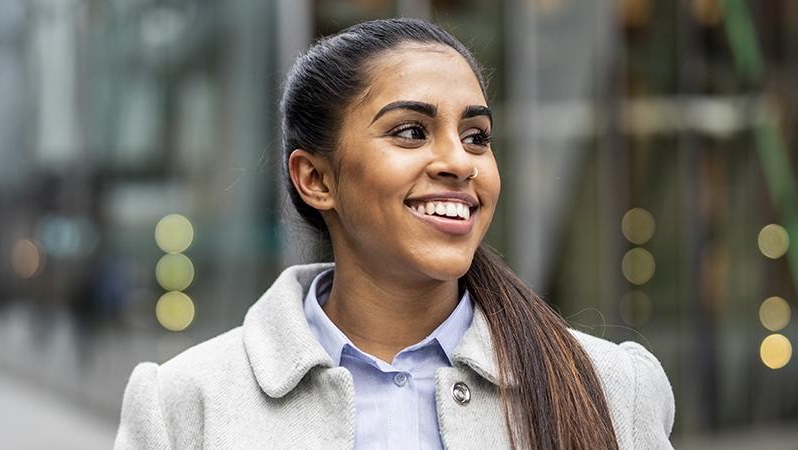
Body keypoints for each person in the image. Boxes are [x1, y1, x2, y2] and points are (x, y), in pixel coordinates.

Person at [115, 18, 674, 449]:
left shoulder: (608, 386)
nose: (460, 161)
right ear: (316, 179)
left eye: (477, 136)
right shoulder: (184, 405)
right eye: (411, 132)